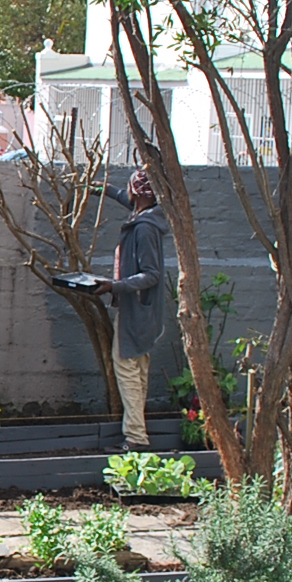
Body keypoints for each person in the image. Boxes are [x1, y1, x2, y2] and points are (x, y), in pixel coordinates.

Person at [99, 168, 172, 452]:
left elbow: (151, 274)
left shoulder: (143, 229)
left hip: (136, 310)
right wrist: (101, 189)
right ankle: (138, 434)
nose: (126, 194)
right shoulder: (146, 216)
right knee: (138, 369)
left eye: (128, 189)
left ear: (137, 194)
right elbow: (128, 200)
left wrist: (113, 286)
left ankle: (136, 438)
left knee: (127, 368)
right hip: (142, 310)